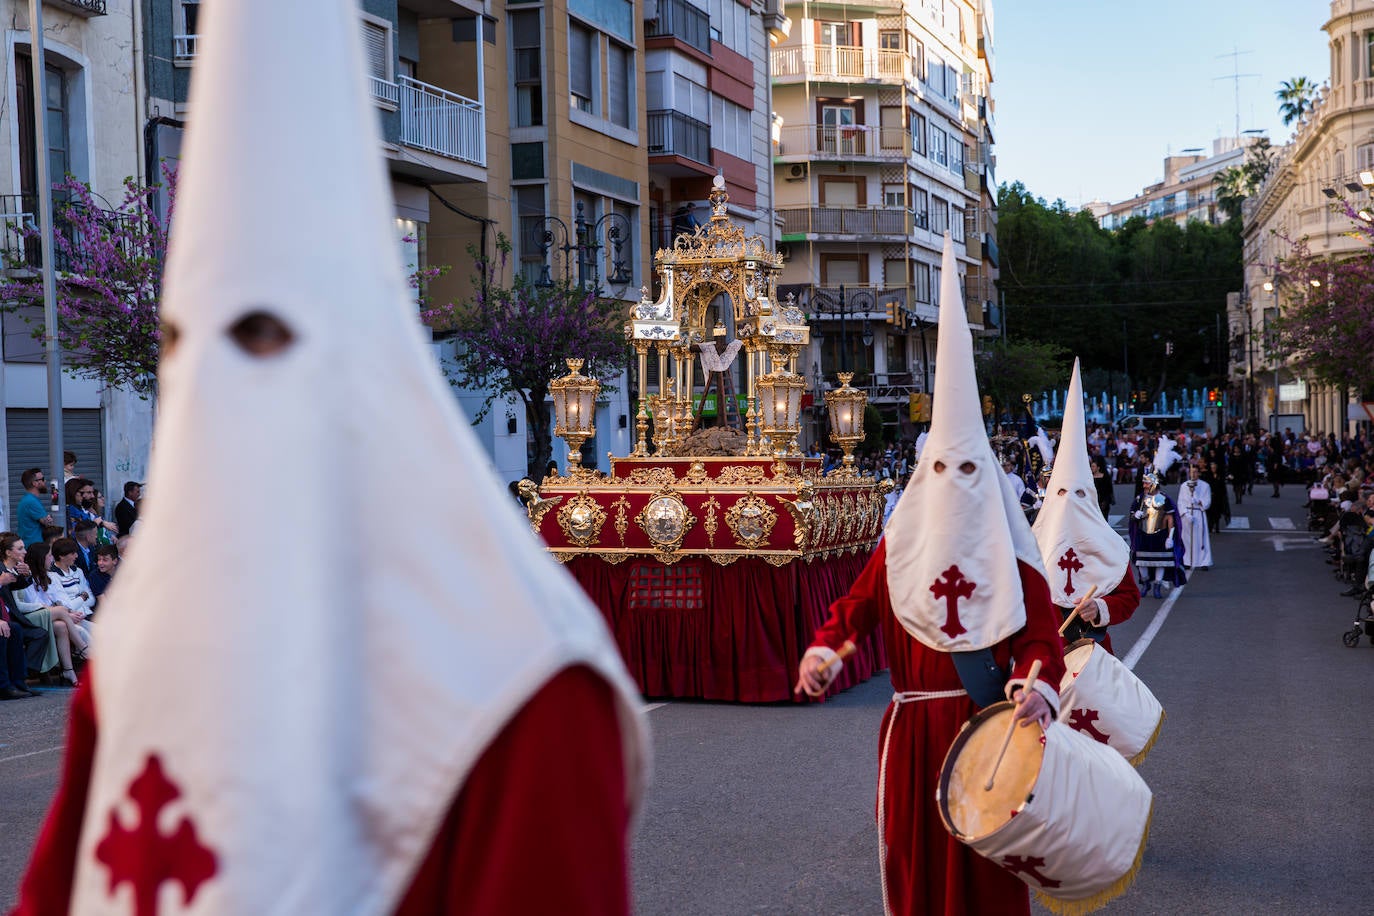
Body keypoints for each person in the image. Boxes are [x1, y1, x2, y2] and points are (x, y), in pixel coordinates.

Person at [13, 2, 648, 912]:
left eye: (263, 338)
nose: (223, 386)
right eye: (185, 343)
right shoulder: (148, 634)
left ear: (367, 353)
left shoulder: (513, 682)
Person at [796, 236, 1064, 916]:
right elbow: (854, 616)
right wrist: (827, 651)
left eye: (968, 472)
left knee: (987, 878)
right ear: (922, 477)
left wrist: (1038, 690)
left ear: (990, 478)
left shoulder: (1012, 553)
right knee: (914, 868)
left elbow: (1041, 642)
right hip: (912, 738)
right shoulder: (901, 547)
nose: (954, 485)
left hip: (989, 734)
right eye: (941, 471)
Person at [1031, 360, 1140, 655]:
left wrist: (1101, 607)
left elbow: (1129, 596)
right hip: (1042, 656)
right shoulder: (1032, 543)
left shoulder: (1106, 542)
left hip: (1094, 653)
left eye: (1078, 493)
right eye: (1062, 492)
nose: (1069, 500)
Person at [13, 539, 85, 687]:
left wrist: (65, 611)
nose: (52, 559)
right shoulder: (22, 575)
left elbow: (55, 601)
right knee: (62, 613)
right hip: (26, 616)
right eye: (49, 556)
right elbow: (25, 604)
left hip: (47, 614)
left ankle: (68, 670)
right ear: (41, 558)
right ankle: (83, 648)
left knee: (61, 626)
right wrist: (57, 610)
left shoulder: (46, 576)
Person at [1128, 469, 1187, 599]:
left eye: (1147, 483)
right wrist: (1135, 515)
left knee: (1160, 562)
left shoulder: (1165, 499)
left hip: (1160, 535)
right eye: (1144, 483)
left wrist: (1170, 538)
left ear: (1154, 484)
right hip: (1143, 535)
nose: (1144, 486)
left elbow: (1171, 518)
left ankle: (1157, 586)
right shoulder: (1140, 499)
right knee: (1141, 562)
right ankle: (1146, 582)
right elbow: (1132, 515)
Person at [1177, 464, 1213, 570]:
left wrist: (1198, 500)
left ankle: (1203, 562)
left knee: (1201, 539)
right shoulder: (1184, 485)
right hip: (1187, 514)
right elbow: (1180, 501)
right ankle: (1187, 560)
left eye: (1195, 472)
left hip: (1198, 513)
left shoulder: (1205, 485)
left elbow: (1207, 502)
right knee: (1186, 539)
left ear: (1199, 473)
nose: (1193, 474)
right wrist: (1185, 513)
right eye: (1191, 472)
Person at [15, 469, 53, 548]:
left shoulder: (28, 499)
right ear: (35, 483)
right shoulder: (31, 501)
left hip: (31, 544)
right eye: (42, 479)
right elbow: (47, 523)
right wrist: (49, 520)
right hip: (34, 546)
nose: (45, 481)